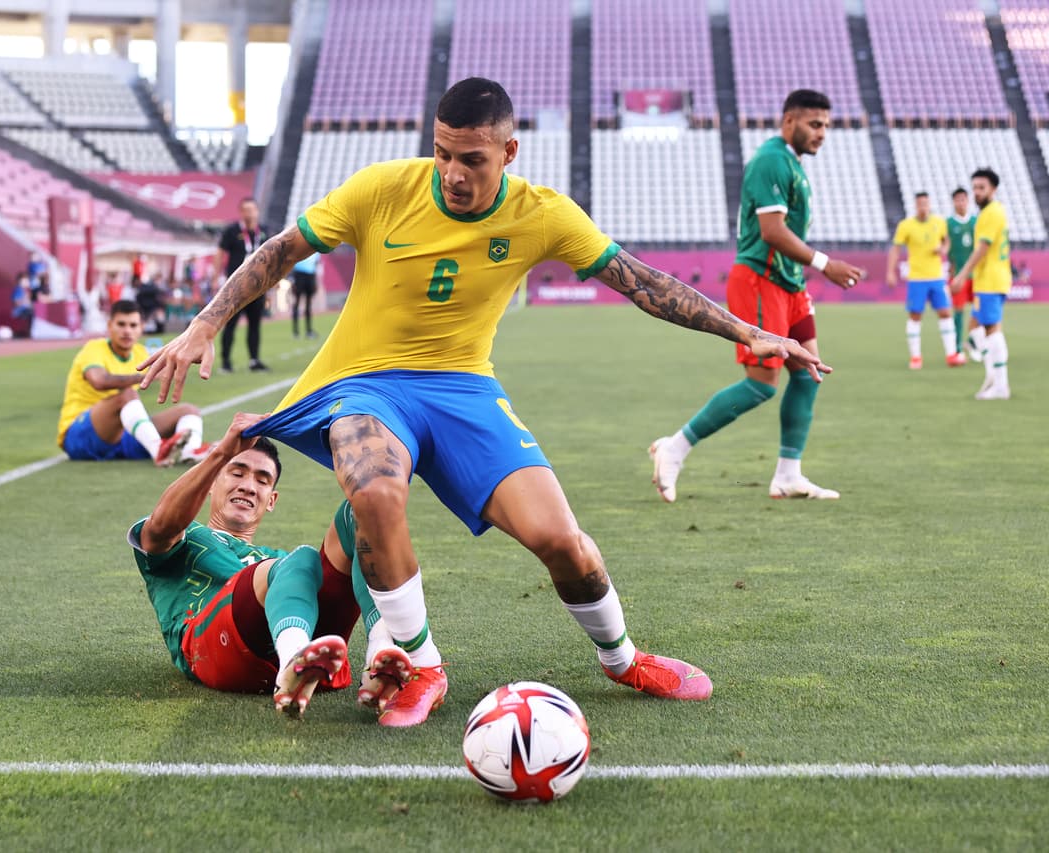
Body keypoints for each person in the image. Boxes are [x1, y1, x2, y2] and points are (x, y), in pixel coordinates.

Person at [137, 78, 831, 727]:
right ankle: (421, 664)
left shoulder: (542, 213)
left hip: (464, 389)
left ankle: (623, 660)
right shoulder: (381, 189)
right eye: (441, 154)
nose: (452, 172)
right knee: (373, 490)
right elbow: (283, 250)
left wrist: (746, 331)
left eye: (470, 158)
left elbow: (640, 281)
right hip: (364, 383)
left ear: (509, 151)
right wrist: (206, 321)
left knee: (564, 543)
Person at [650, 90, 864, 503]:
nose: (822, 133)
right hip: (760, 279)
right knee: (763, 384)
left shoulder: (792, 163)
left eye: (826, 126)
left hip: (788, 281)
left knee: (808, 372)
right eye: (814, 124)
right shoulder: (770, 159)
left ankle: (788, 475)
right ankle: (674, 448)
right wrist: (825, 263)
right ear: (789, 122)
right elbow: (771, 232)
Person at [130, 412, 386, 716]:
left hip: (298, 647)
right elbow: (159, 528)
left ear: (272, 499)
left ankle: (380, 655)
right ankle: (294, 661)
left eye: (262, 480)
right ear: (210, 482)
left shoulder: (280, 560)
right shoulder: (186, 535)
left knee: (359, 510)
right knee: (299, 558)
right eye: (237, 472)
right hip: (214, 652)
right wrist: (222, 452)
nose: (249, 486)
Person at [58, 299, 211, 466]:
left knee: (189, 410)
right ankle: (158, 450)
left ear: (141, 328)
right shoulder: (94, 348)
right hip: (79, 436)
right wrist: (144, 377)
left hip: (121, 436)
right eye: (121, 324)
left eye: (133, 325)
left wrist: (189, 357)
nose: (127, 331)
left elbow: (168, 364)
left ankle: (189, 451)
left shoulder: (140, 353)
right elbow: (99, 381)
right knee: (127, 395)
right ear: (110, 326)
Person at [949, 168, 1012, 400]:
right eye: (974, 187)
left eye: (981, 188)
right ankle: (992, 376)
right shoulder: (992, 211)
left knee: (991, 329)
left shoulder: (991, 213)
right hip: (990, 279)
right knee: (975, 326)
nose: (976, 192)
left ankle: (1000, 384)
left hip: (990, 280)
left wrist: (961, 276)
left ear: (993, 189)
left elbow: (982, 249)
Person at [887, 192, 962, 370]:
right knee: (915, 316)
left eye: (926, 204)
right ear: (915, 205)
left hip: (937, 277)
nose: (923, 207)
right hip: (917, 278)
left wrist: (943, 249)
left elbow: (947, 242)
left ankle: (951, 354)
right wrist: (890, 271)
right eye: (920, 204)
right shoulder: (906, 225)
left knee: (945, 313)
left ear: (929, 205)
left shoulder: (939, 222)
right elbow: (896, 249)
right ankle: (916, 357)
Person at [217, 198, 270, 372]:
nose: (249, 213)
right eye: (245, 210)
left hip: (258, 286)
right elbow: (220, 253)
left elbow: (272, 257)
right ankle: (226, 362)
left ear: (257, 211)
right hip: (235, 286)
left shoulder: (263, 232)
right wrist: (214, 277)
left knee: (255, 324)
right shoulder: (232, 231)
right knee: (230, 324)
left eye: (252, 209)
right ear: (241, 212)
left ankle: (254, 360)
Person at [945, 187, 977, 358]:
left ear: (968, 201)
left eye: (963, 199)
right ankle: (957, 347)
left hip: (976, 275)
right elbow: (945, 247)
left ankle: (974, 342)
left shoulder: (975, 222)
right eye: (957, 200)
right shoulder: (948, 224)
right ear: (953, 202)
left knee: (979, 310)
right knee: (958, 311)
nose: (961, 203)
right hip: (958, 275)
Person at [290, 252, 319, 339]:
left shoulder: (316, 248)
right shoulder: (301, 244)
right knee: (297, 302)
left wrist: (315, 280)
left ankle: (309, 331)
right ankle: (296, 332)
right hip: (299, 274)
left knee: (308, 305)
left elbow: (316, 264)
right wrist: (292, 279)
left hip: (310, 275)